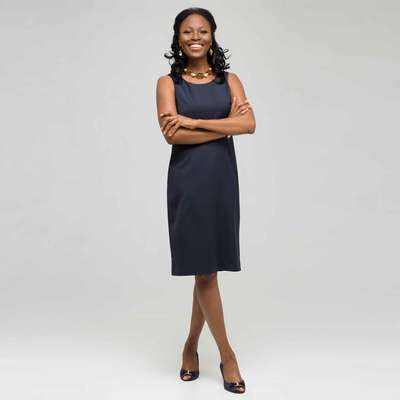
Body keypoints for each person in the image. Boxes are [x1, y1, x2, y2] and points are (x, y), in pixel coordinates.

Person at [156, 7, 255, 394]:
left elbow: (248, 124)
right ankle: (228, 356)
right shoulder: (167, 83)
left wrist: (195, 121)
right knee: (206, 272)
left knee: (207, 269)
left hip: (221, 181)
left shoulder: (231, 81)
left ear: (212, 35)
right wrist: (225, 126)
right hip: (188, 182)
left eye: (202, 31)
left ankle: (190, 346)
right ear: (177, 37)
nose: (195, 37)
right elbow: (172, 136)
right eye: (187, 31)